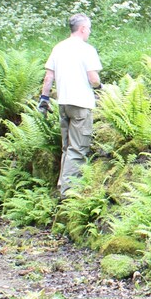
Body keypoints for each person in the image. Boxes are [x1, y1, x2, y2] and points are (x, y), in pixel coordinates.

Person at [39, 14, 103, 196]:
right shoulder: (87, 50)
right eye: (88, 28)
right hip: (81, 104)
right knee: (78, 148)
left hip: (63, 103)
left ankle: (62, 184)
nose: (89, 32)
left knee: (67, 147)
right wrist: (101, 87)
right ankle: (68, 193)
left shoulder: (58, 48)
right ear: (82, 29)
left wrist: (44, 99)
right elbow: (93, 79)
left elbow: (48, 77)